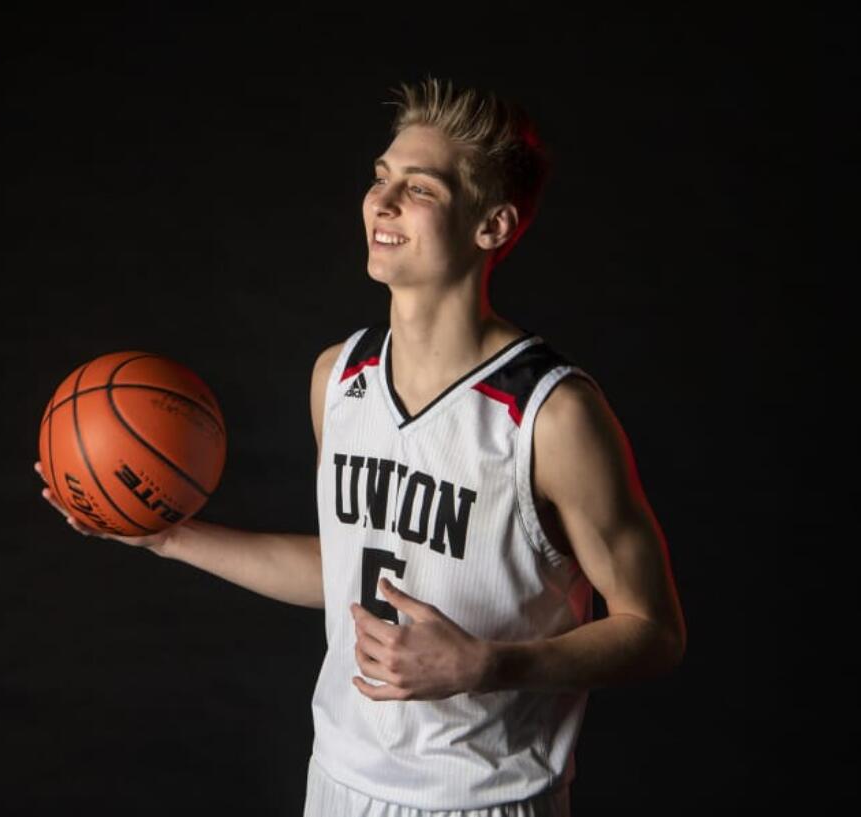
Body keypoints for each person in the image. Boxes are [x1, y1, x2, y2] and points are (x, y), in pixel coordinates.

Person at [36, 76, 686, 816]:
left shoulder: (550, 414)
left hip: (484, 797)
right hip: (340, 781)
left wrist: (489, 664)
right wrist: (167, 537)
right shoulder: (337, 377)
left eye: (421, 189)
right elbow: (350, 567)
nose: (381, 201)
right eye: (381, 178)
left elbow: (654, 631)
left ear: (492, 226)